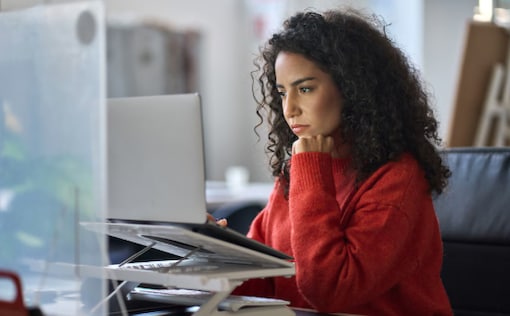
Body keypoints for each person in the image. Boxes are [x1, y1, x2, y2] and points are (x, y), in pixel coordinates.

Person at [231, 7, 453, 315]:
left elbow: (330, 289)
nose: (290, 108)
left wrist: (310, 170)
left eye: (305, 89)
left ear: (351, 89)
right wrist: (210, 255)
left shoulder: (398, 179)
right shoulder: (295, 175)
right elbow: (261, 283)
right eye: (282, 92)